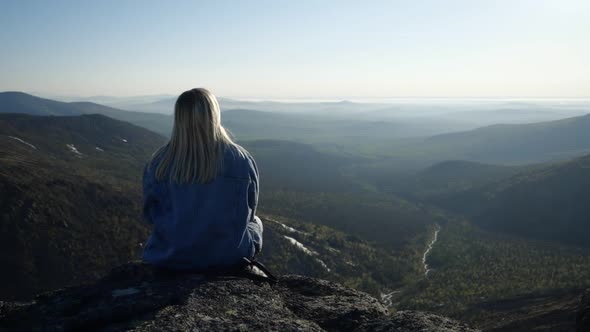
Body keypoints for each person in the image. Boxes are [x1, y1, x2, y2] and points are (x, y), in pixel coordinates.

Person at [141, 88, 263, 271]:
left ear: (179, 118)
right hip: (228, 257)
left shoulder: (159, 163)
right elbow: (250, 209)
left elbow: (150, 214)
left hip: (170, 256)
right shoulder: (240, 159)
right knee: (257, 223)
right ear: (214, 115)